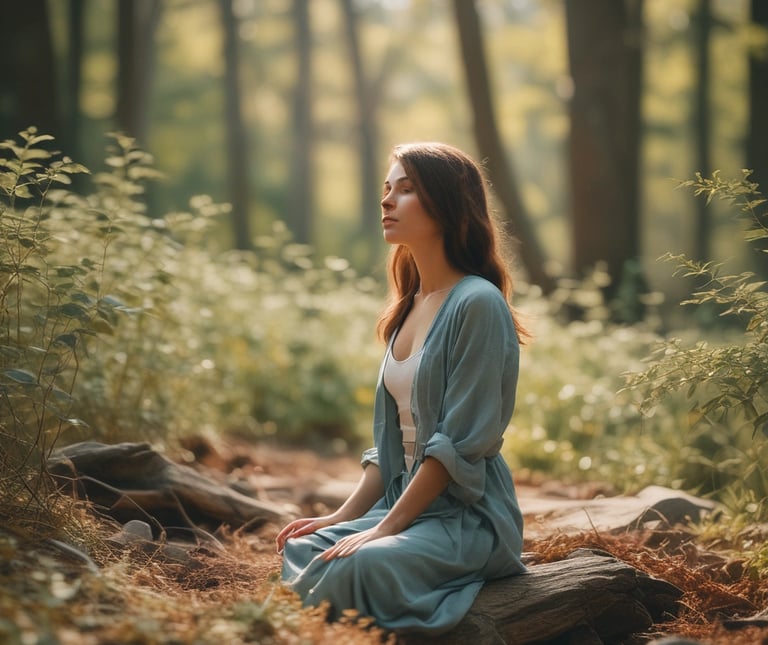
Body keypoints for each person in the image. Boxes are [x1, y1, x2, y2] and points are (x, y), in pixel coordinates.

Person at [276, 141, 527, 635]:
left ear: (447, 204)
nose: (387, 201)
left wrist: (385, 527)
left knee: (360, 564)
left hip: (467, 518)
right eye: (387, 189)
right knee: (305, 545)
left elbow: (458, 443)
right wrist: (341, 517)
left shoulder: (477, 303)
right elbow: (392, 447)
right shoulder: (409, 306)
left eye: (406, 190)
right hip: (406, 506)